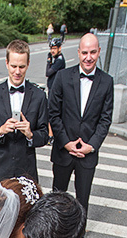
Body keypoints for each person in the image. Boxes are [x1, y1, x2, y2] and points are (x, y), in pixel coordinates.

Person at [48, 33, 114, 217]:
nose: (88, 57)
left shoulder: (107, 81)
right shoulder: (62, 77)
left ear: (99, 51)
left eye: (93, 52)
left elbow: (105, 119)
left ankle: (79, 237)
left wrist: (91, 146)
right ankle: (53, 234)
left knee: (82, 200)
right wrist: (65, 142)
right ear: (78, 53)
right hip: (63, 151)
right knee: (57, 198)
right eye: (85, 52)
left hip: (88, 154)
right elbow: (53, 113)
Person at [0, 40, 49, 182]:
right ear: (6, 63)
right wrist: (1, 130)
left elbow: (44, 135)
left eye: (22, 67)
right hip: (0, 173)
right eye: (13, 66)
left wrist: (30, 135)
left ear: (28, 64)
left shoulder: (39, 96)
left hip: (27, 172)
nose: (17, 72)